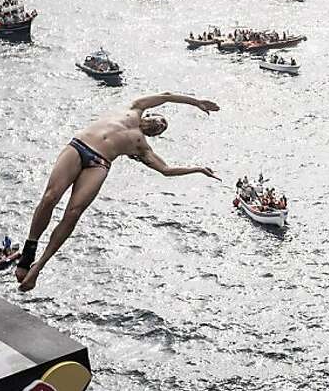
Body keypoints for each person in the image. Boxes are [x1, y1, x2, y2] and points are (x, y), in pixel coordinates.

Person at [15, 93, 220, 292]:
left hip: (99, 163)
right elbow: (167, 96)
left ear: (155, 134)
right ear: (150, 115)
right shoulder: (135, 108)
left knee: (73, 213)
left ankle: (39, 267)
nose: (161, 125)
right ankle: (30, 249)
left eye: (162, 128)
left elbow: (166, 170)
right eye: (161, 120)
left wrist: (198, 169)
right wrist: (196, 102)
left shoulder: (142, 148)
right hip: (80, 145)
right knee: (51, 196)